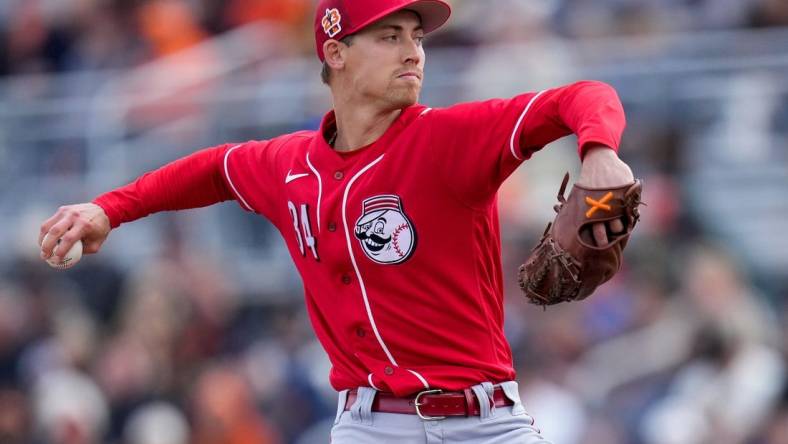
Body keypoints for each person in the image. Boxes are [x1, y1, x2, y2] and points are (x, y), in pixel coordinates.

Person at [39, 0, 634, 442]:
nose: (413, 50)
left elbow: (583, 97)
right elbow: (213, 170)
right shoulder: (290, 165)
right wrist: (108, 209)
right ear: (335, 50)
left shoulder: (448, 138)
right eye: (389, 35)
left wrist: (599, 151)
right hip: (367, 426)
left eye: (417, 36)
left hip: (486, 424)